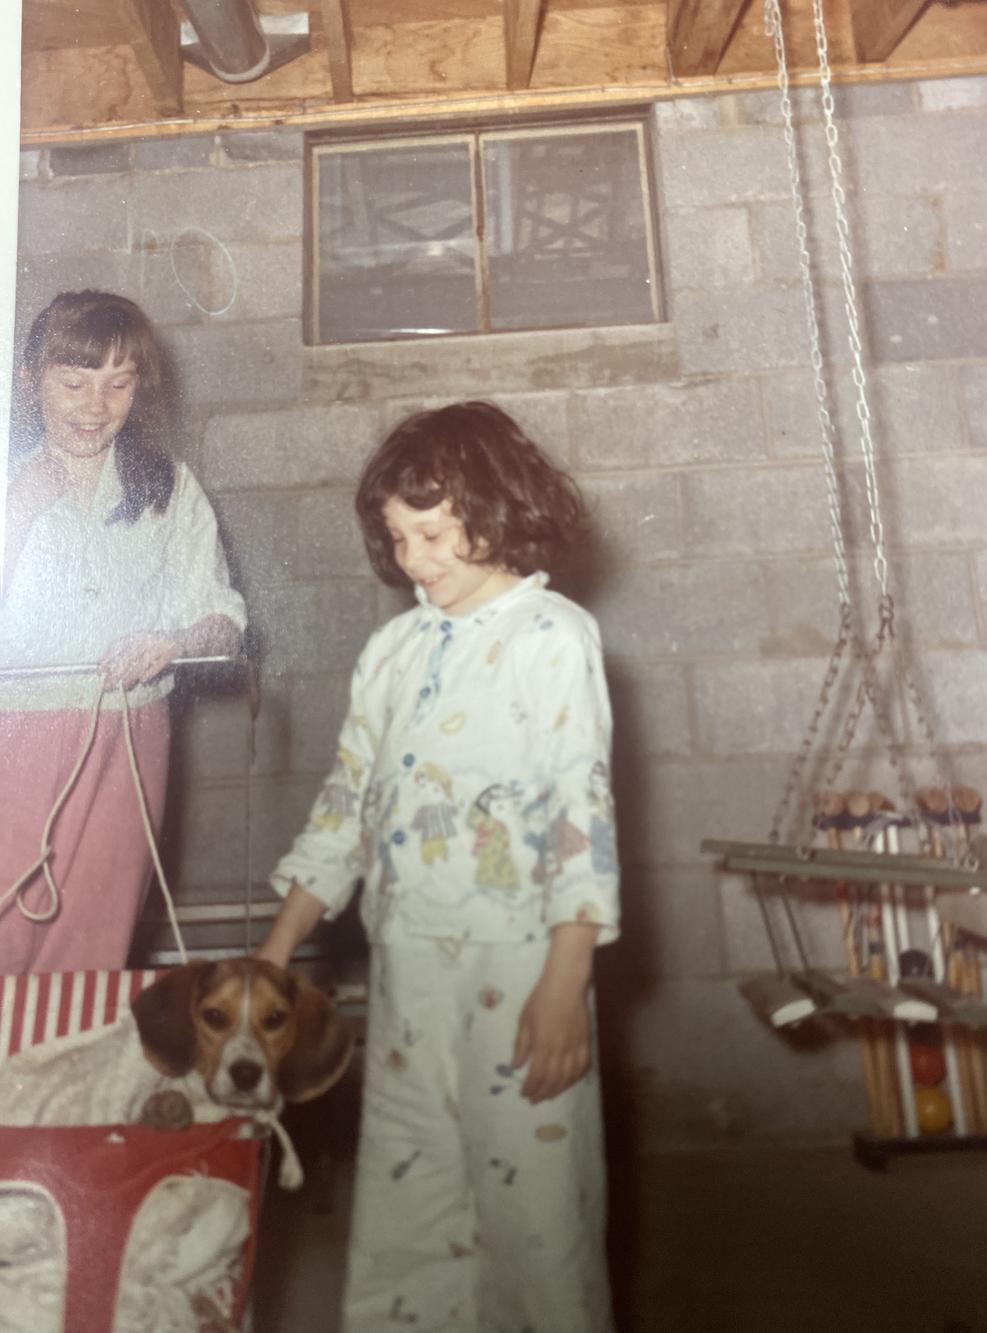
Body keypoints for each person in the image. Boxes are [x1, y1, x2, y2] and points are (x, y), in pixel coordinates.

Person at [258, 401, 620, 1332]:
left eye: (432, 532)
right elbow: (344, 807)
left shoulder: (552, 636)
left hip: (522, 961)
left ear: (496, 511)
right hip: (410, 961)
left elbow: (581, 808)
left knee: (533, 1213)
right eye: (397, 538)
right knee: (409, 1192)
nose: (415, 559)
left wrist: (566, 975)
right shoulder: (392, 651)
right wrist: (277, 949)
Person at [0, 291, 246, 975]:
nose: (94, 405)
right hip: (11, 742)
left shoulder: (170, 485)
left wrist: (172, 643)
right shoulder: (5, 479)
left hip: (128, 746)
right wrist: (15, 513)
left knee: (92, 944)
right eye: (73, 382)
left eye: (118, 383)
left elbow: (223, 619)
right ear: (30, 379)